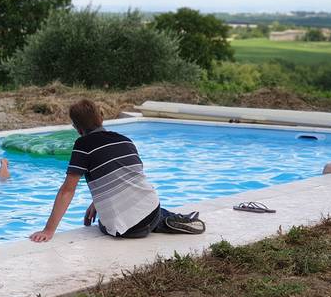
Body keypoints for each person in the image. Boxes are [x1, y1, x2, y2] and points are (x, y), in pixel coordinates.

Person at [30, 99, 203, 243]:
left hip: (126, 229)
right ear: (101, 118)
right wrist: (97, 202)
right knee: (147, 208)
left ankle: (164, 221)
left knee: (103, 223)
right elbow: (129, 180)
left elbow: (67, 191)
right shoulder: (125, 140)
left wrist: (48, 230)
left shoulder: (83, 145)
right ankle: (170, 219)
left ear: (77, 128)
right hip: (152, 210)